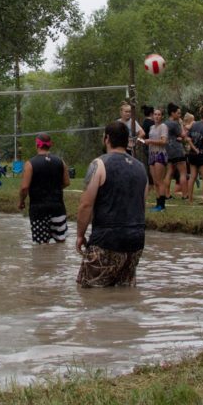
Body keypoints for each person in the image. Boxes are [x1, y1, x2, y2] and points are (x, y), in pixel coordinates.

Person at [75, 121, 148, 287]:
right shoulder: (141, 168)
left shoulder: (98, 164)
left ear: (106, 139)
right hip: (135, 241)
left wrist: (80, 235)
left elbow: (86, 205)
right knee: (124, 292)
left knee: (90, 292)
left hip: (106, 240)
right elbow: (142, 204)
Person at [19, 133, 70, 244]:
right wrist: (54, 188)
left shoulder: (30, 164)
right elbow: (66, 182)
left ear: (37, 145)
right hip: (58, 207)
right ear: (50, 145)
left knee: (41, 245)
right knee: (60, 241)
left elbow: (24, 187)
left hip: (38, 209)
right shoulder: (60, 161)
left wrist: (22, 201)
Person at [140, 107, 169, 210]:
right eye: (155, 114)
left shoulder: (163, 126)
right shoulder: (152, 127)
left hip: (160, 154)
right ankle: (158, 204)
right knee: (155, 181)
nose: (156, 116)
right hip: (151, 154)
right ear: (152, 116)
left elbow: (164, 141)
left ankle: (162, 205)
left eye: (159, 114)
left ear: (162, 116)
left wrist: (150, 141)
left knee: (160, 180)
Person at [163, 103, 189, 201]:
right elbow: (183, 135)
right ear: (172, 113)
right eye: (178, 113)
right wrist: (181, 124)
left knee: (169, 172)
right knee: (183, 172)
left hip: (168, 150)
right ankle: (185, 195)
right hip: (177, 150)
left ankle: (167, 194)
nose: (179, 115)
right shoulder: (174, 123)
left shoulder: (165, 123)